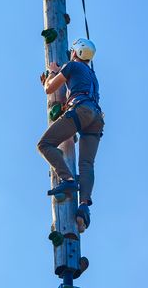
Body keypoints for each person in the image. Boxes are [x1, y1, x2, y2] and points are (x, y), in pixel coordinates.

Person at [37, 38, 104, 232]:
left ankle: (67, 180)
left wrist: (52, 72)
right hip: (96, 117)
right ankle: (84, 207)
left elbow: (49, 88)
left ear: (75, 53)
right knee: (87, 164)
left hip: (81, 110)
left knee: (44, 144)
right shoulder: (92, 76)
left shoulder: (72, 66)